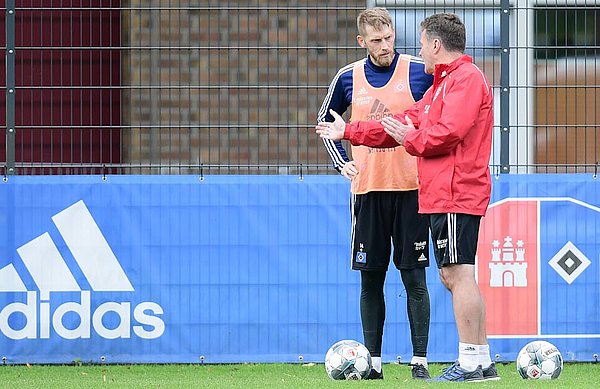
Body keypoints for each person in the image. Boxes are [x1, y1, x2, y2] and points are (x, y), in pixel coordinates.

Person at [316, 13, 500, 382]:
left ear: (435, 45)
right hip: (441, 192)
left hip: (455, 190)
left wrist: (408, 140)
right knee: (456, 273)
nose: (413, 50)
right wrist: (349, 130)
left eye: (419, 43)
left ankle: (470, 362)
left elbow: (447, 134)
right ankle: (481, 360)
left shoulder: (464, 80)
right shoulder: (441, 86)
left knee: (456, 274)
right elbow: (404, 120)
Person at [317, 7, 433, 380]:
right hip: (367, 190)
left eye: (389, 38)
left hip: (412, 189)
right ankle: (373, 363)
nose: (385, 46)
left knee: (414, 277)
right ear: (361, 41)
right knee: (372, 278)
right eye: (377, 40)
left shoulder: (417, 70)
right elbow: (326, 122)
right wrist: (342, 163)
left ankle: (420, 362)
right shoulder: (348, 77)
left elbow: (437, 118)